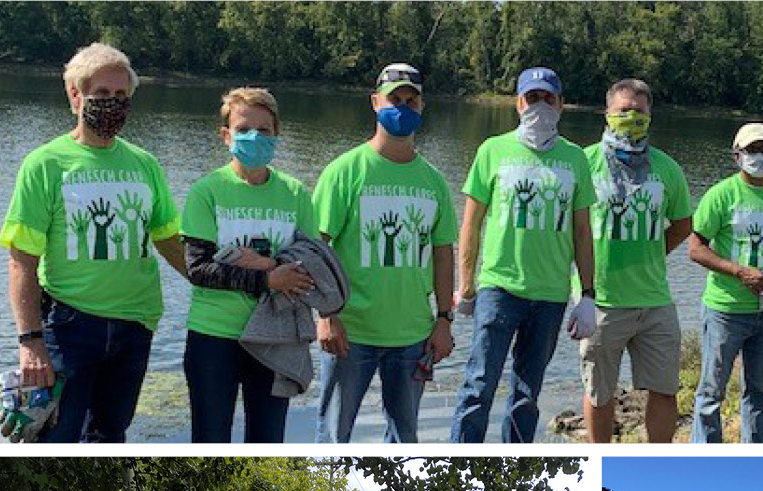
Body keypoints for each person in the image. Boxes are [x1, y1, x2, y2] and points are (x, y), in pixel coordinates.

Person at [1, 42, 188, 443]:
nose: (113, 105)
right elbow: (21, 262)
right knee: (58, 439)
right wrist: (30, 342)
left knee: (109, 437)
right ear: (75, 95)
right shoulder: (46, 164)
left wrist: (219, 281)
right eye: (102, 95)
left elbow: (171, 241)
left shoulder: (145, 164)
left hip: (136, 326)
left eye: (121, 96)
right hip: (69, 325)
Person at [311, 63, 457, 443]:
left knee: (405, 439)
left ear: (422, 107)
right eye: (395, 99)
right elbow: (315, 248)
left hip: (412, 335)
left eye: (412, 100)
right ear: (376, 102)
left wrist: (444, 319)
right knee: (332, 437)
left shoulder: (434, 181)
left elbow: (443, 254)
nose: (403, 107)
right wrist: (326, 314)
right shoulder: (345, 171)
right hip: (350, 332)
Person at [452, 67, 595, 444]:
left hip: (550, 296)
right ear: (518, 103)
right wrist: (466, 285)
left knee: (527, 397)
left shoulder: (575, 159)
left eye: (549, 98)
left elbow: (582, 231)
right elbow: (471, 224)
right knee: (479, 385)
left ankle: (513, 466)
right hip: (499, 288)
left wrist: (588, 295)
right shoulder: (492, 150)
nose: (540, 106)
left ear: (561, 105)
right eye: (532, 98)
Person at [181, 86, 318, 442]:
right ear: (226, 136)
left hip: (276, 336)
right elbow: (198, 269)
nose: (254, 137)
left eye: (264, 130)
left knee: (268, 444)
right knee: (209, 443)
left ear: (276, 135)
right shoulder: (207, 191)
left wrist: (265, 262)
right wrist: (269, 278)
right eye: (243, 130)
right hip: (214, 336)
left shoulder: (295, 194)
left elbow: (312, 265)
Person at [580, 78, 693, 443]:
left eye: (639, 112)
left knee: (664, 390)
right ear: (607, 114)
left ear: (650, 116)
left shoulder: (667, 168)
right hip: (602, 300)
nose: (632, 118)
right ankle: (600, 457)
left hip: (655, 300)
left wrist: (651, 252)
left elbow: (682, 224)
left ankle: (658, 457)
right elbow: (567, 224)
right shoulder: (585, 163)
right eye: (623, 111)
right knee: (600, 392)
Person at [687, 123, 763, 443]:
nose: (760, 156)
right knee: (712, 392)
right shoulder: (721, 194)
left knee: (760, 394)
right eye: (753, 150)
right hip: (726, 310)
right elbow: (695, 249)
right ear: (737, 155)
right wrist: (738, 271)